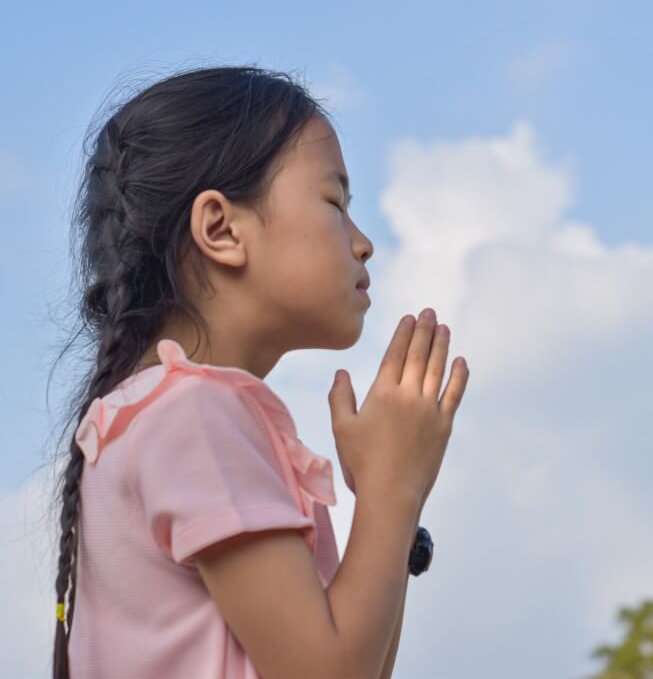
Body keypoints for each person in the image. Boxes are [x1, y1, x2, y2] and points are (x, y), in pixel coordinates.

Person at [49, 65, 469, 679]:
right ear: (221, 229)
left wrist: (395, 499)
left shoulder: (166, 414)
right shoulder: (193, 414)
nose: (363, 243)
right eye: (336, 203)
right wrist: (392, 487)